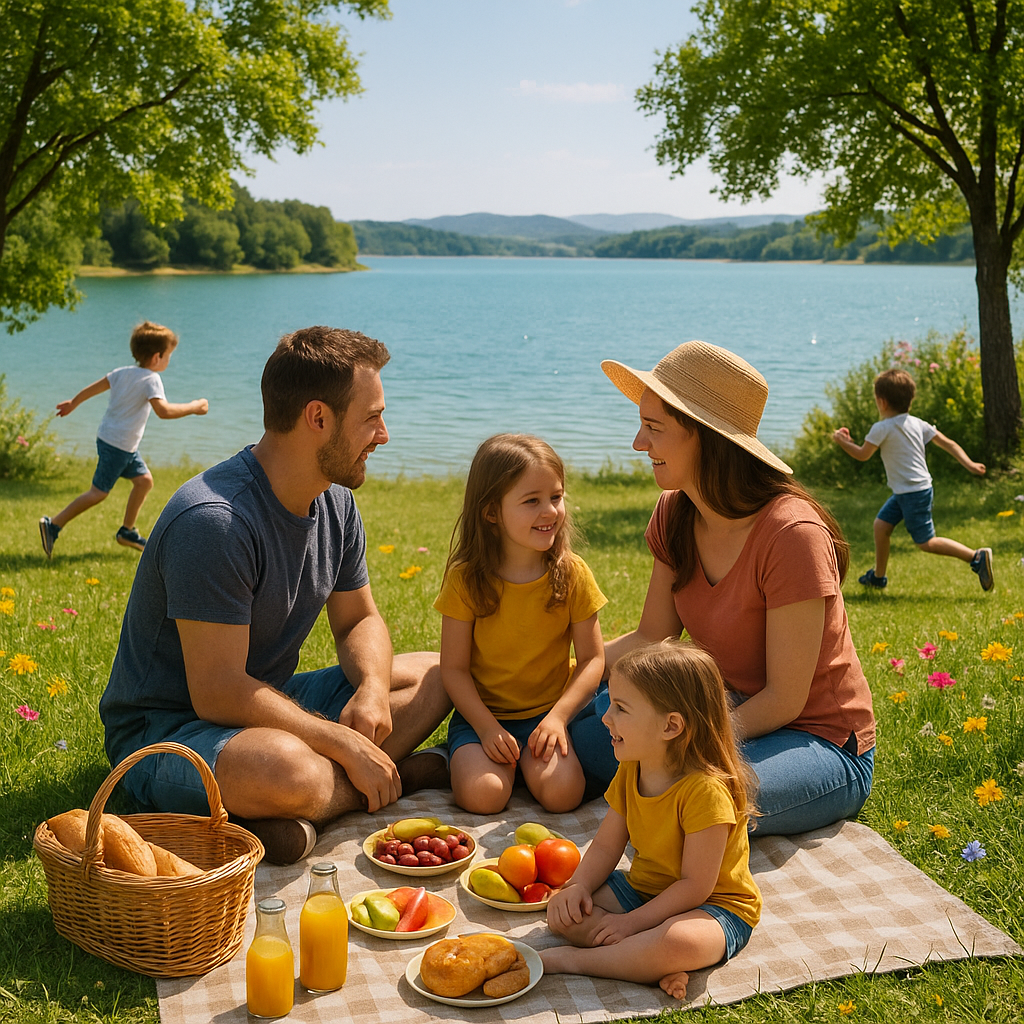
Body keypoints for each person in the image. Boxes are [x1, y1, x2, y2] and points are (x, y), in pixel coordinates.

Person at [99, 326, 450, 864]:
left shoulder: (333, 503)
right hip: (166, 731)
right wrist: (343, 742)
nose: (384, 434)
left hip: (260, 700)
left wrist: (374, 691)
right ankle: (358, 783)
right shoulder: (215, 521)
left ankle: (302, 808)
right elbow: (216, 692)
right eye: (372, 417)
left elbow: (359, 620)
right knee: (288, 767)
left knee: (441, 670)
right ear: (318, 418)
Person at [572, 340, 875, 836]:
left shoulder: (791, 535)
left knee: (696, 800)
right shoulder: (675, 514)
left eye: (653, 428)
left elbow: (784, 699)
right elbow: (652, 637)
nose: (638, 444)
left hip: (817, 740)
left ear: (707, 439)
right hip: (723, 708)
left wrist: (678, 741)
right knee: (581, 735)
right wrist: (567, 676)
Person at [542, 641, 761, 1000]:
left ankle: (581, 961)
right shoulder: (632, 768)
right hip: (645, 890)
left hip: (715, 907)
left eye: (621, 708)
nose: (605, 717)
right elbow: (607, 844)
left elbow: (695, 886)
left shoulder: (705, 792)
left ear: (671, 726)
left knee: (677, 941)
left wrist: (630, 923)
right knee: (563, 913)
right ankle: (641, 960)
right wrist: (577, 885)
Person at [434, 433, 606, 814]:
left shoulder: (573, 574)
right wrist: (485, 729)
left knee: (564, 796)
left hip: (546, 716)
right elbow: (455, 669)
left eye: (556, 497)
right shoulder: (466, 579)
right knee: (484, 797)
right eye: (532, 501)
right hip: (483, 718)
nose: (550, 512)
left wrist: (558, 719)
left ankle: (521, 770)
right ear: (491, 511)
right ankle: (447, 760)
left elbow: (593, 660)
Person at [39, 320, 208, 558]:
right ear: (157, 357)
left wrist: (73, 403)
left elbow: (93, 389)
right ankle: (53, 524)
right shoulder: (151, 379)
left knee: (144, 481)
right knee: (98, 492)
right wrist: (194, 406)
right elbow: (164, 411)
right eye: (169, 355)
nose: (169, 360)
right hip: (118, 445)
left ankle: (127, 531)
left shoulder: (121, 373)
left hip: (115, 441)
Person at [832, 367, 992, 591]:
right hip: (910, 490)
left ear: (882, 402)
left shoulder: (882, 428)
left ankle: (976, 557)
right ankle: (878, 577)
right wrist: (970, 464)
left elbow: (862, 454)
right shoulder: (918, 423)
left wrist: (842, 441)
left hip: (912, 492)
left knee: (926, 542)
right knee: (881, 526)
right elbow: (949, 443)